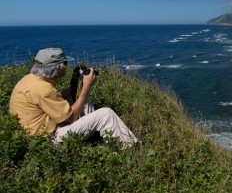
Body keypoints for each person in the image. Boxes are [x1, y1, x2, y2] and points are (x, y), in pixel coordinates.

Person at [9, 47, 137, 149]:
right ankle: (128, 148)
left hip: (35, 131)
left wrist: (76, 85)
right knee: (106, 113)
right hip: (48, 140)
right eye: (64, 63)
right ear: (57, 67)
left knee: (82, 98)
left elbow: (55, 98)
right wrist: (86, 87)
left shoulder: (31, 80)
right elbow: (72, 117)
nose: (67, 66)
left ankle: (96, 129)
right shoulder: (44, 90)